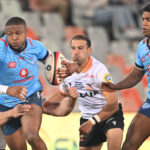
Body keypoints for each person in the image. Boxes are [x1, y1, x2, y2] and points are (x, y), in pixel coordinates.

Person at [0, 16, 74, 150]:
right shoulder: (1, 49)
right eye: (10, 34)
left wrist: (63, 68)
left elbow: (50, 59)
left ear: (26, 32)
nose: (14, 38)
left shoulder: (36, 46)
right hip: (5, 103)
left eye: (18, 33)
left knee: (32, 136)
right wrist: (7, 90)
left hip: (31, 95)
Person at [43, 35, 124, 150]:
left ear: (89, 50)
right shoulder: (67, 72)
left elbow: (113, 105)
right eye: (73, 48)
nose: (76, 52)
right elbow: (60, 95)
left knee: (113, 138)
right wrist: (40, 107)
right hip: (87, 116)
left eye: (80, 48)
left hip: (109, 114)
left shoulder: (99, 70)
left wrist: (92, 122)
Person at [100, 4, 150, 150]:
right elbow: (136, 75)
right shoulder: (142, 46)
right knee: (129, 145)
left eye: (149, 19)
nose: (144, 23)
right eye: (143, 19)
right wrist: (115, 86)